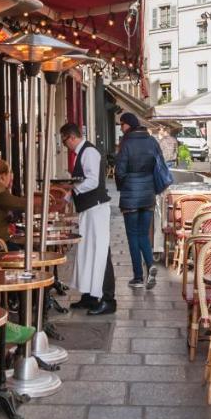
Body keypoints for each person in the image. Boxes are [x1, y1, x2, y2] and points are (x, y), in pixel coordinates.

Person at [60, 122, 115, 315]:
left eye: (64, 140)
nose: (65, 145)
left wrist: (72, 189)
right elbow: (80, 181)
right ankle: (90, 296)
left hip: (96, 208)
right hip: (88, 208)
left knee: (100, 252)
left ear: (71, 137)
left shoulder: (89, 152)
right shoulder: (82, 153)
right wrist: (67, 196)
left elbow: (92, 181)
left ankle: (108, 299)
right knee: (87, 252)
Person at [114, 112, 162, 289]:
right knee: (143, 234)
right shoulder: (151, 141)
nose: (121, 127)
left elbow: (119, 171)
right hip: (149, 194)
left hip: (131, 196)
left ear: (129, 125)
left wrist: (123, 186)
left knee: (133, 236)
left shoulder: (126, 143)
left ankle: (138, 277)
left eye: (122, 124)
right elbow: (160, 165)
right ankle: (150, 265)